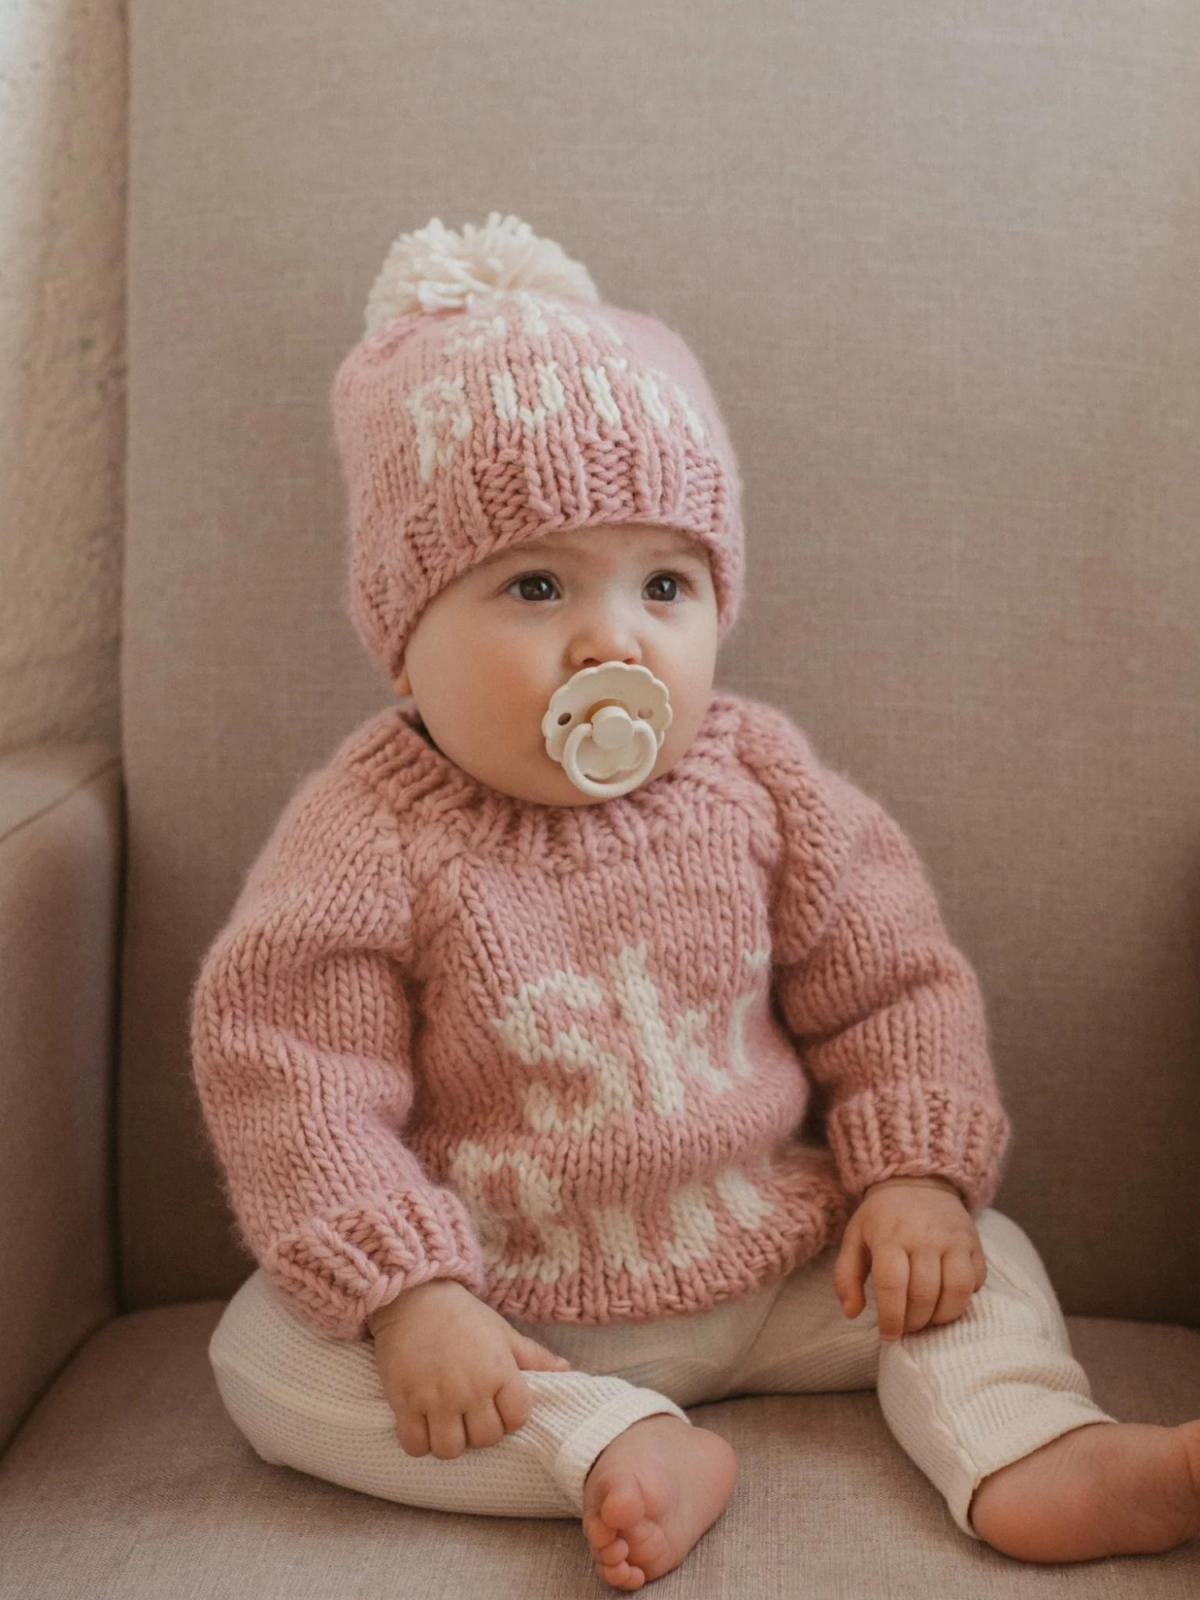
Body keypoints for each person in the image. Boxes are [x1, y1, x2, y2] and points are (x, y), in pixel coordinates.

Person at [190, 213, 1200, 1589]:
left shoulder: (762, 780)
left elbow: (893, 981)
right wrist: (412, 1298)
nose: (616, 640)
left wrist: (911, 1179)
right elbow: (289, 1073)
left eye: (665, 584)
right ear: (405, 642)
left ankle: (1028, 1447)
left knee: (983, 1257)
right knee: (264, 1355)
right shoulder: (369, 834)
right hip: (504, 1305)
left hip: (785, 1267)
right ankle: (607, 1442)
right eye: (535, 585)